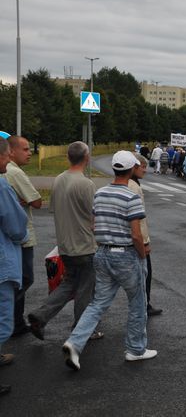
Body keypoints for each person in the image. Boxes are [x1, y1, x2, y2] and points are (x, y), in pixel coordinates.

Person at [62, 151, 155, 371]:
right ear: (132, 169)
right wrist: (142, 254)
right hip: (126, 255)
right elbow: (135, 234)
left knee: (98, 303)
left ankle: (74, 342)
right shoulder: (131, 197)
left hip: (102, 254)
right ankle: (136, 349)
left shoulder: (100, 193)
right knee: (137, 302)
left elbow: (93, 225)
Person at [28, 142, 104, 341]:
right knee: (85, 290)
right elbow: (94, 217)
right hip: (85, 246)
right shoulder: (86, 184)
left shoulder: (59, 179)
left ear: (69, 157)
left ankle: (40, 315)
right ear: (86, 158)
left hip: (65, 245)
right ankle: (82, 330)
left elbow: (55, 209)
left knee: (68, 284)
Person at [0, 136, 41, 337]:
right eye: (25, 149)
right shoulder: (12, 175)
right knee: (23, 279)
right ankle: (14, 322)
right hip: (15, 243)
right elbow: (36, 203)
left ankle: (15, 320)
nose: (29, 152)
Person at [0, 137, 28, 396]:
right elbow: (17, 227)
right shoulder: (2, 186)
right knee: (2, 321)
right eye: (6, 155)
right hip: (2, 262)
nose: (8, 160)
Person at [129, 154, 163, 317]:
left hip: (125, 239)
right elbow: (139, 218)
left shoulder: (128, 184)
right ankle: (143, 305)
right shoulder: (134, 187)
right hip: (136, 240)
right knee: (145, 273)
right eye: (142, 167)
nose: (145, 170)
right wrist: (145, 241)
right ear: (133, 167)